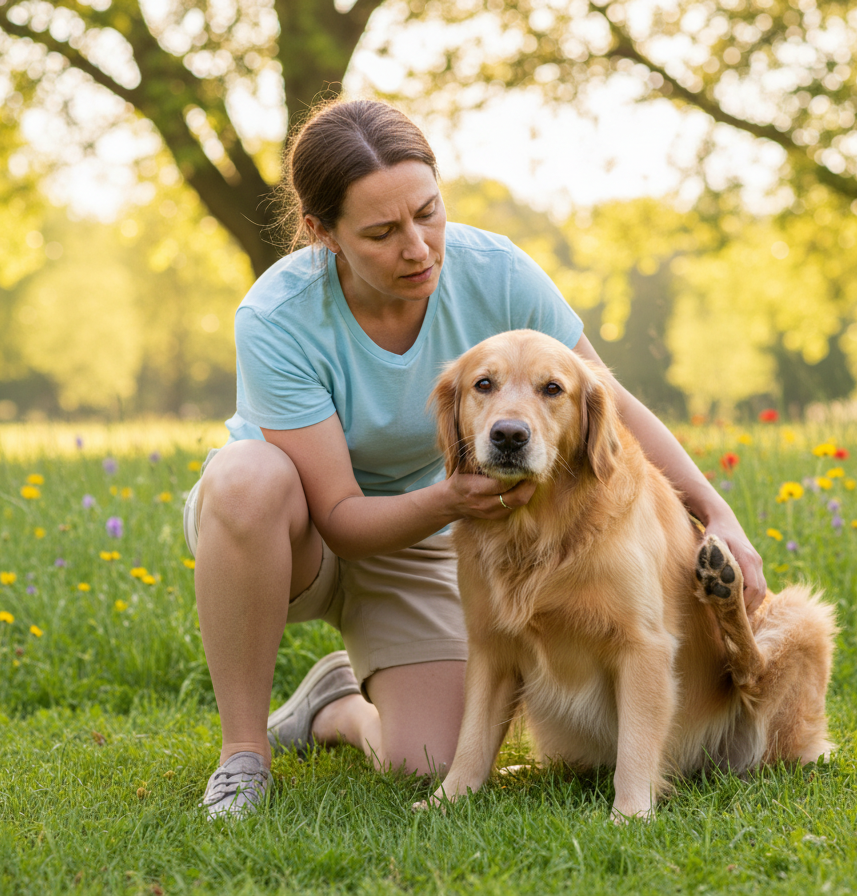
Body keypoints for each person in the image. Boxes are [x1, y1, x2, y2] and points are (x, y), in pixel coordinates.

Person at [183, 99, 767, 818]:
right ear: (321, 233)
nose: (419, 248)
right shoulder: (277, 318)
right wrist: (455, 500)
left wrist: (716, 513)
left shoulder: (496, 271)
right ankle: (244, 754)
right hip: (298, 534)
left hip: (431, 537)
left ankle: (335, 704)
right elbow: (339, 516)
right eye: (381, 232)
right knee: (248, 476)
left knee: (424, 756)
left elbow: (606, 399)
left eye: (428, 212)